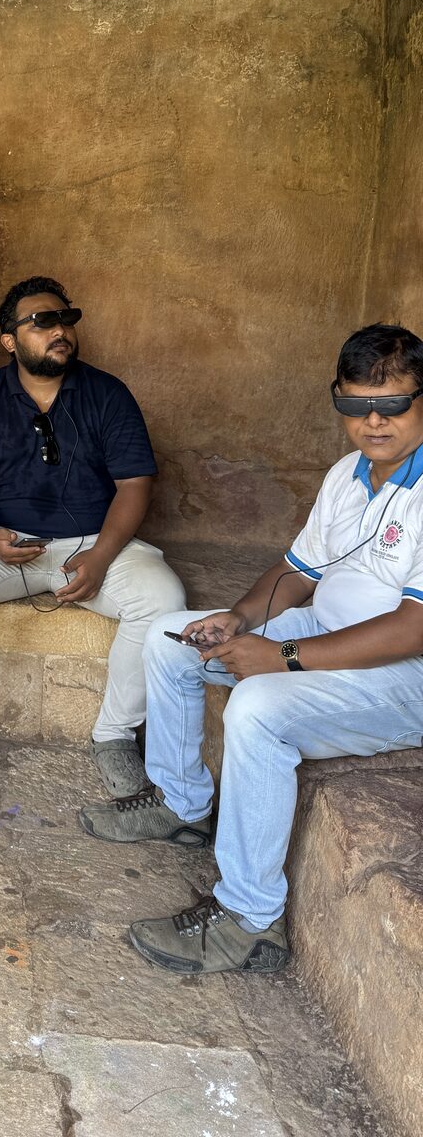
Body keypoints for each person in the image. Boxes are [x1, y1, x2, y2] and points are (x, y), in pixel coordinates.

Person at [80, 322, 423, 974]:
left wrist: (283, 659)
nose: (372, 422)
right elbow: (298, 572)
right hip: (328, 633)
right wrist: (238, 620)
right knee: (174, 636)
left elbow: (414, 627)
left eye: (393, 403)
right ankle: (181, 803)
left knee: (259, 708)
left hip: (405, 679)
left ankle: (250, 920)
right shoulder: (349, 475)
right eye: (355, 405)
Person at [0, 275, 185, 794]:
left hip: (91, 543)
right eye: (42, 321)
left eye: (65, 319)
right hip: (4, 543)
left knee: (163, 597)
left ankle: (114, 735)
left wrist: (103, 556)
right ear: (10, 340)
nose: (59, 330)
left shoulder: (107, 394)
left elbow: (135, 483)